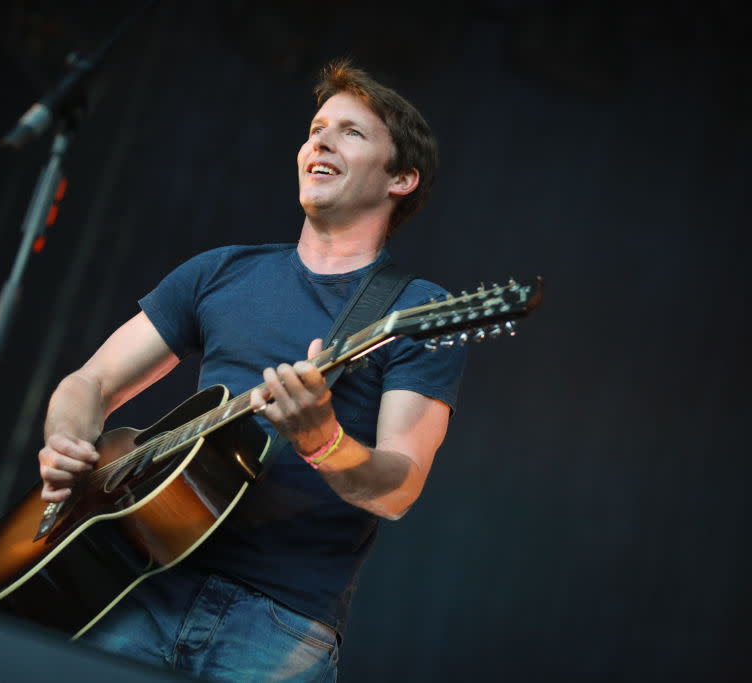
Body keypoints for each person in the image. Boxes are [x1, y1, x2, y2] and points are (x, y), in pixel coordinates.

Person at [37, 58, 466, 681]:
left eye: (351, 132)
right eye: (316, 126)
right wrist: (67, 442)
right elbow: (90, 383)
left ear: (401, 178)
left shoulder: (418, 310)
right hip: (136, 586)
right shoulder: (221, 272)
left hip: (280, 626)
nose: (319, 139)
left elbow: (399, 488)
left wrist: (325, 442)